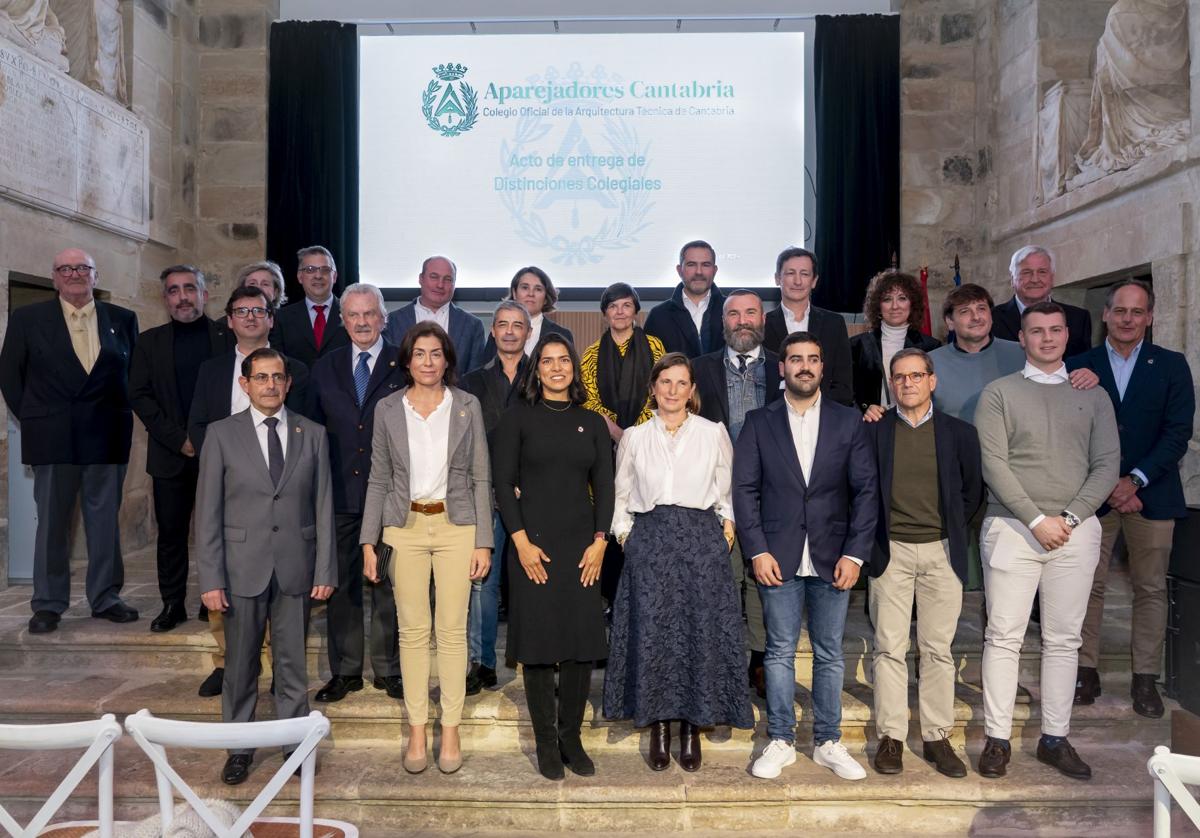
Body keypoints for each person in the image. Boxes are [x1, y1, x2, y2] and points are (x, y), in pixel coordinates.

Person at [974, 301, 1120, 781]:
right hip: (1013, 528)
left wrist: (1072, 517)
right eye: (1037, 331)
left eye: (1055, 330)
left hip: (1076, 532)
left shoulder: (1093, 395)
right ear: (1022, 338)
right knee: (1004, 636)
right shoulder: (998, 393)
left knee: (1063, 640)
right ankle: (997, 739)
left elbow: (1106, 466)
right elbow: (994, 465)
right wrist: (1037, 519)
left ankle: (1055, 738)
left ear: (1066, 336)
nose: (1047, 338)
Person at [734, 331, 878, 782]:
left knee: (830, 652)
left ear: (822, 367)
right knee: (777, 652)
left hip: (833, 555)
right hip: (775, 555)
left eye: (813, 359)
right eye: (795, 359)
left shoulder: (847, 420)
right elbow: (744, 490)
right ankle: (780, 739)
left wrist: (855, 555)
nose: (804, 366)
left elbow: (866, 492)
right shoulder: (759, 421)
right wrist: (756, 548)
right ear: (782, 367)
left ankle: (828, 741)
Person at [604, 352, 752, 772]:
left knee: (697, 634)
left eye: (681, 383)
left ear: (692, 390)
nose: (672, 390)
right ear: (653, 388)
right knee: (655, 636)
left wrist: (726, 530)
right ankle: (659, 727)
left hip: (700, 543)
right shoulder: (633, 437)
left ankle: (691, 726)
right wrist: (627, 537)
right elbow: (621, 495)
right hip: (650, 540)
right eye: (665, 382)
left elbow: (727, 492)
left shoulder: (712, 433)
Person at [194, 347, 336, 786]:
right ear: (245, 384)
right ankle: (238, 746)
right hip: (240, 570)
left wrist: (325, 570)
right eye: (261, 378)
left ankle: (294, 743)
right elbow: (208, 511)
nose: (270, 385)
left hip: (296, 565)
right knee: (240, 665)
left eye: (278, 377)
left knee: (292, 663)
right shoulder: (220, 434)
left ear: (288, 383)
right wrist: (211, 577)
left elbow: (324, 504)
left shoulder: (311, 433)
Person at [361, 322, 492, 776]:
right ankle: (418, 728)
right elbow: (378, 477)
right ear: (407, 360)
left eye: (436, 354)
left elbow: (480, 476)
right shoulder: (387, 409)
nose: (429, 362)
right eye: (420, 354)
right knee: (413, 632)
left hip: (457, 527)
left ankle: (450, 728)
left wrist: (483, 540)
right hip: (405, 527)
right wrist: (368, 540)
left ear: (448, 360)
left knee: (452, 633)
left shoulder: (467, 406)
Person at [1068, 279, 1195, 718]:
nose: (1127, 319)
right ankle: (1085, 670)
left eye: (1137, 312)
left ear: (1150, 317)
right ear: (1105, 315)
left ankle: (1145, 679)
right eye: (1119, 310)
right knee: (1089, 586)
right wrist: (1108, 484)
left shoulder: (1172, 365)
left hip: (1153, 494)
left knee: (1151, 588)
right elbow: (1070, 435)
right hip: (1091, 499)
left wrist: (1135, 480)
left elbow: (1178, 432)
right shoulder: (1078, 366)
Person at [492, 333, 614, 780]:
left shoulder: (593, 422)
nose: (557, 368)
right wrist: (520, 542)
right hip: (533, 549)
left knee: (581, 648)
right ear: (536, 369)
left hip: (584, 549)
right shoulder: (516, 419)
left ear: (574, 369)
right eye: (548, 361)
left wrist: (601, 541)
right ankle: (546, 742)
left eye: (565, 360)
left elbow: (606, 487)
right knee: (541, 648)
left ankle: (572, 738)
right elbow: (503, 485)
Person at [0, 248, 140, 634]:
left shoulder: (123, 320)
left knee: (103, 521)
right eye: (66, 268)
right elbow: (11, 376)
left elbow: (134, 377)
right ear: (54, 277)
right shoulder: (28, 319)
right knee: (52, 524)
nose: (75, 274)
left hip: (107, 435)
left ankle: (106, 597)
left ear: (95, 276)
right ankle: (48, 603)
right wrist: (37, 418)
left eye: (83, 268)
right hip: (53, 437)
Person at [188, 286, 311, 697]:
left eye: (259, 311)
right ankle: (237, 731)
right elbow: (199, 425)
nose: (270, 384)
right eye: (242, 311)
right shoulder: (214, 381)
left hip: (287, 538)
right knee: (239, 653)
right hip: (237, 530)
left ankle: (291, 725)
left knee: (290, 655)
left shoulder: (300, 400)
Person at [866, 348, 982, 779]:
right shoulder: (874, 432)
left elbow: (972, 494)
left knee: (937, 649)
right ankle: (892, 737)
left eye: (917, 375)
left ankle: (936, 737)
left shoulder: (960, 434)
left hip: (941, 552)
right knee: (889, 648)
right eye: (900, 377)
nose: (908, 383)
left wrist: (948, 531)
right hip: (891, 551)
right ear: (891, 383)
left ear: (932, 381)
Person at [307, 283, 404, 704]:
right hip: (339, 492)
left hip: (392, 495)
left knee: (389, 584)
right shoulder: (324, 368)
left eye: (370, 314)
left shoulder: (405, 362)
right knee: (342, 584)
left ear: (383, 317)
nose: (362, 322)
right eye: (353, 315)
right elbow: (311, 432)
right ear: (342, 320)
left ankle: (389, 669)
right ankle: (345, 671)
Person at [128, 265, 233, 633]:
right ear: (165, 298)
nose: (182, 296)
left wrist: (206, 441)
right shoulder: (149, 341)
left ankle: (213, 600)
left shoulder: (226, 337)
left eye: (190, 288)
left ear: (204, 295)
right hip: (170, 454)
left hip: (220, 454)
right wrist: (179, 438)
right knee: (171, 535)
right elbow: (139, 395)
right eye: (174, 290)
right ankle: (172, 603)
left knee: (218, 531)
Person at [692, 290, 783, 698]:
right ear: (722, 321)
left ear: (762, 320)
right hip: (716, 495)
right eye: (733, 314)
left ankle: (761, 659)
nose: (742, 320)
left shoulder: (786, 366)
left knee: (765, 579)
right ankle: (725, 657)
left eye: (750, 313)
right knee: (723, 580)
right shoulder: (699, 369)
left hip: (772, 492)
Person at [461, 301, 531, 695]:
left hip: (531, 492)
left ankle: (532, 657)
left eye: (517, 325)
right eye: (502, 324)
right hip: (484, 493)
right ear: (492, 331)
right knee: (482, 582)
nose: (508, 331)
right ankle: (482, 662)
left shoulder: (542, 378)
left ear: (527, 332)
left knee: (530, 579)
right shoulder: (471, 381)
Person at [762, 247, 853, 406]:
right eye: (790, 273)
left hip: (826, 418)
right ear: (777, 278)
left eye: (804, 274)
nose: (797, 281)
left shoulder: (834, 323)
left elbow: (843, 384)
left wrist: (814, 409)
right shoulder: (762, 324)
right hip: (775, 418)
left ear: (814, 281)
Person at [927, 284, 1027, 424]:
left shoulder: (1022, 355)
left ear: (991, 317)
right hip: (954, 444)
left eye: (981, 309)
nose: (975, 317)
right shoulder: (930, 363)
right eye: (964, 311)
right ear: (950, 322)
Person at [581, 282, 666, 443]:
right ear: (605, 313)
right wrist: (616, 432)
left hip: (650, 436)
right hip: (605, 438)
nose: (620, 312)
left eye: (626, 305)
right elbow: (588, 400)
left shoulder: (654, 345)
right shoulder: (591, 353)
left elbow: (662, 389)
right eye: (613, 306)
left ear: (635, 311)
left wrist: (636, 433)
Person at [850, 270, 941, 414]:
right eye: (887, 299)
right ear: (878, 305)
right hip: (869, 425)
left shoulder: (931, 347)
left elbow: (936, 397)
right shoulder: (856, 346)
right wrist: (864, 410)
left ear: (912, 304)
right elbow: (847, 393)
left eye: (902, 298)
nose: (895, 306)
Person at [383, 255, 487, 375]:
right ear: (421, 279)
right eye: (434, 277)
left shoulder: (472, 326)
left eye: (448, 279)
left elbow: (475, 377)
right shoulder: (393, 322)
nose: (440, 285)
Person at [991, 246, 1093, 357]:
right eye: (1026, 272)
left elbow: (1084, 364)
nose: (1035, 279)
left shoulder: (1078, 318)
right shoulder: (992, 319)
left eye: (1042, 272)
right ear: (1012, 279)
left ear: (1052, 278)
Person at [268, 246, 350, 370]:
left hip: (342, 388)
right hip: (297, 387)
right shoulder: (281, 318)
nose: (318, 275)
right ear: (300, 277)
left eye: (325, 270)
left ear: (334, 276)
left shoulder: (351, 313)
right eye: (310, 269)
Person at [643, 240, 727, 358]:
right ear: (679, 270)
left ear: (715, 270)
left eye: (705, 265)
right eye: (691, 264)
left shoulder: (732, 311)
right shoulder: (658, 316)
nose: (699, 272)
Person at [483, 266, 573, 358]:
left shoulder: (562, 334)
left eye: (538, 289)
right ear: (514, 293)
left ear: (546, 298)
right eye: (525, 288)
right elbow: (486, 368)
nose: (531, 294)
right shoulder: (500, 331)